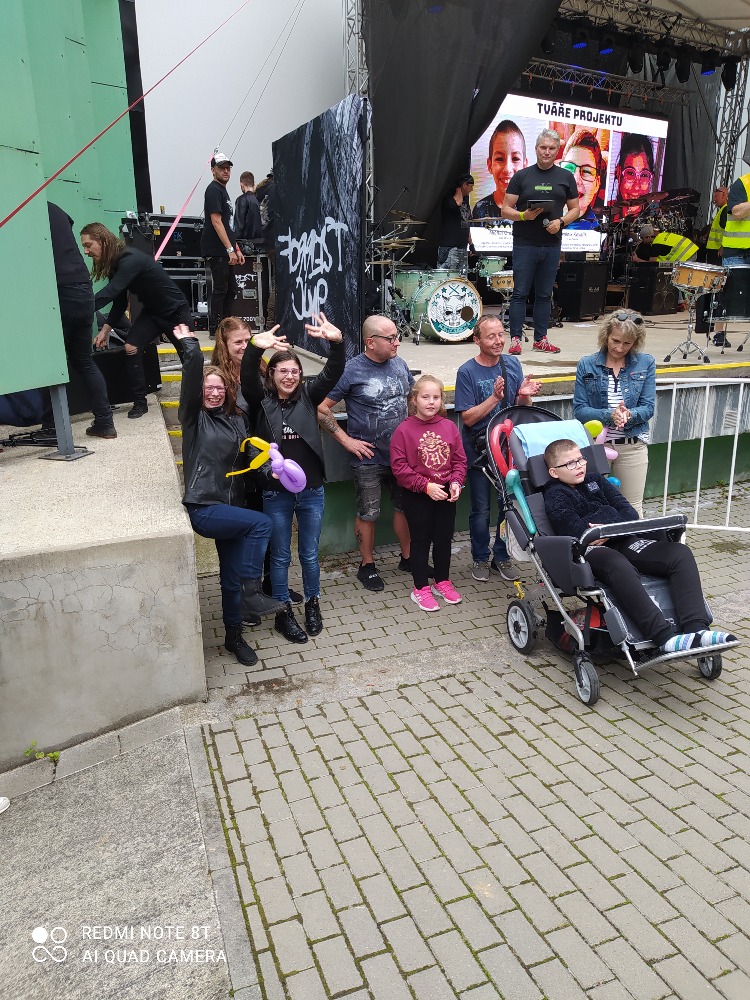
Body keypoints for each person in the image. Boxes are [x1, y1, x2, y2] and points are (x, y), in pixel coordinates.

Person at [543, 438, 736, 653]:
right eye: (570, 463)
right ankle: (663, 637)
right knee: (618, 564)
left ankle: (697, 629)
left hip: (623, 540)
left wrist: (606, 525)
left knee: (678, 553)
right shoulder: (554, 495)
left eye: (581, 459)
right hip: (590, 551)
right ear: (554, 472)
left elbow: (630, 513)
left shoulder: (595, 480)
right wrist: (612, 518)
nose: (579, 465)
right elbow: (577, 531)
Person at [175, 324, 284, 667]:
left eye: (219, 388)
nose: (214, 393)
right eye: (208, 388)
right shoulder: (193, 419)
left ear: (227, 391)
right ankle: (252, 592)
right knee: (262, 524)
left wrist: (270, 470)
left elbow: (251, 457)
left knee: (230, 577)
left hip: (233, 507)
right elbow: (191, 383)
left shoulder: (237, 421)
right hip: (205, 506)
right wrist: (190, 347)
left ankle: (233, 636)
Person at [241, 312, 346, 643]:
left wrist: (337, 343)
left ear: (301, 375)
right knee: (281, 556)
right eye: (283, 371)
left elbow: (333, 371)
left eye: (294, 371)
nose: (289, 376)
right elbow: (247, 376)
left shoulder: (309, 396)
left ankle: (313, 603)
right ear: (271, 374)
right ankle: (283, 612)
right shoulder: (262, 401)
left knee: (309, 554)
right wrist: (255, 348)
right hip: (276, 493)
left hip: (311, 491)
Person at [318, 315, 414, 592]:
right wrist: (347, 441)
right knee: (368, 512)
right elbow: (321, 408)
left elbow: (410, 396)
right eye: (391, 338)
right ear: (371, 342)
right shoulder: (351, 370)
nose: (397, 342)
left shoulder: (399, 364)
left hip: (401, 456)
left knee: (405, 507)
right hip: (368, 458)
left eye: (397, 336)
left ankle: (408, 559)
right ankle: (367, 565)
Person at [455, 315, 541, 581]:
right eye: (490, 336)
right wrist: (494, 398)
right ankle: (480, 557)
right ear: (477, 340)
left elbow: (519, 409)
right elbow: (468, 418)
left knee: (508, 506)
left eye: (501, 334)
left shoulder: (512, 364)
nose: (498, 341)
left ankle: (502, 556)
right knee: (481, 510)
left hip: (508, 451)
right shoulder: (467, 372)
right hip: (480, 453)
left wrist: (524, 395)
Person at [80, 222, 192, 418]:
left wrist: (79, 309)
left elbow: (111, 291)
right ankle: (140, 402)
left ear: (103, 241)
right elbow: (120, 301)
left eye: (88, 245)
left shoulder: (130, 259)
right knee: (131, 347)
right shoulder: (116, 264)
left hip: (175, 312)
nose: (86, 251)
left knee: (190, 357)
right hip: (153, 313)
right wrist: (105, 331)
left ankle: (195, 402)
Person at [390, 376, 468, 612]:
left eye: (436, 397)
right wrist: (425, 486)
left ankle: (442, 581)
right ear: (414, 400)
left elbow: (459, 460)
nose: (431, 402)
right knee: (421, 541)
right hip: (418, 495)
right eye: (425, 397)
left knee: (444, 539)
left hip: (445, 492)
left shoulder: (449, 427)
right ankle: (420, 587)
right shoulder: (404, 430)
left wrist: (456, 482)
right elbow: (399, 468)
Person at [502, 128, 580, 355]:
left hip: (552, 244)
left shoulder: (565, 177)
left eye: (551, 148)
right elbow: (505, 209)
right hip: (525, 243)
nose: (547, 152)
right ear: (536, 149)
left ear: (557, 151)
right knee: (520, 292)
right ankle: (515, 340)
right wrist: (523, 216)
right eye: (543, 147)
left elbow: (576, 209)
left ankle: (541, 339)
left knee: (545, 294)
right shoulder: (521, 176)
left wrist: (561, 222)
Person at [43, 203, 115, 439]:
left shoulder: (28, 208)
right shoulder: (55, 209)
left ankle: (52, 428)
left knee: (52, 364)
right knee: (84, 361)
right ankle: (105, 422)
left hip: (60, 289)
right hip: (83, 289)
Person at [573, 310, 655, 517]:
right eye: (615, 341)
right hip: (596, 446)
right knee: (594, 506)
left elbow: (648, 407)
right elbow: (580, 410)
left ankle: (634, 539)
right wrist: (610, 415)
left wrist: (629, 415)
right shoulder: (587, 363)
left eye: (627, 343)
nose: (619, 348)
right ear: (606, 336)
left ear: (635, 342)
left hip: (632, 445)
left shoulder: (646, 362)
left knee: (633, 507)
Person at [201, 152, 245, 338]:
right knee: (221, 288)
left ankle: (225, 326)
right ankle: (217, 329)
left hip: (225, 249)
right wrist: (229, 249)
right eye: (222, 168)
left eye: (228, 168)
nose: (226, 171)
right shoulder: (213, 190)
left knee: (231, 289)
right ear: (213, 170)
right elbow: (216, 221)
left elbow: (228, 225)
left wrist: (236, 248)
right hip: (217, 249)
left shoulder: (222, 191)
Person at [712, 170, 750, 349]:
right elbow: (736, 212)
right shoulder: (742, 184)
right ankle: (719, 333)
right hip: (736, 250)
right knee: (727, 292)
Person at [472, 121, 527, 220]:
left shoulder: (531, 208)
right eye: (500, 159)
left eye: (515, 159)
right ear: (490, 165)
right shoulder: (481, 209)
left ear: (525, 166)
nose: (507, 169)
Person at [559, 129, 603, 231]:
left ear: (597, 184)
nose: (576, 180)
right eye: (569, 169)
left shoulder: (599, 233)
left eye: (587, 171)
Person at [611, 134, 656, 220]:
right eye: (630, 173)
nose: (636, 187)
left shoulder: (654, 218)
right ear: (618, 172)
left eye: (644, 175)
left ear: (651, 179)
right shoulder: (606, 212)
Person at [438, 173, 474, 274]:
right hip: (450, 247)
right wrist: (459, 190)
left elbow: (466, 224)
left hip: (462, 247)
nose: (471, 190)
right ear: (464, 185)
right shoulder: (448, 201)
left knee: (462, 279)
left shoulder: (465, 204)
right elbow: (456, 205)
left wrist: (471, 243)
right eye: (470, 186)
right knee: (448, 277)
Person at [234, 171, 262, 243]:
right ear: (253, 184)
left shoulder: (241, 200)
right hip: (260, 243)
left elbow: (239, 226)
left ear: (241, 184)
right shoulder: (259, 200)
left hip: (245, 244)